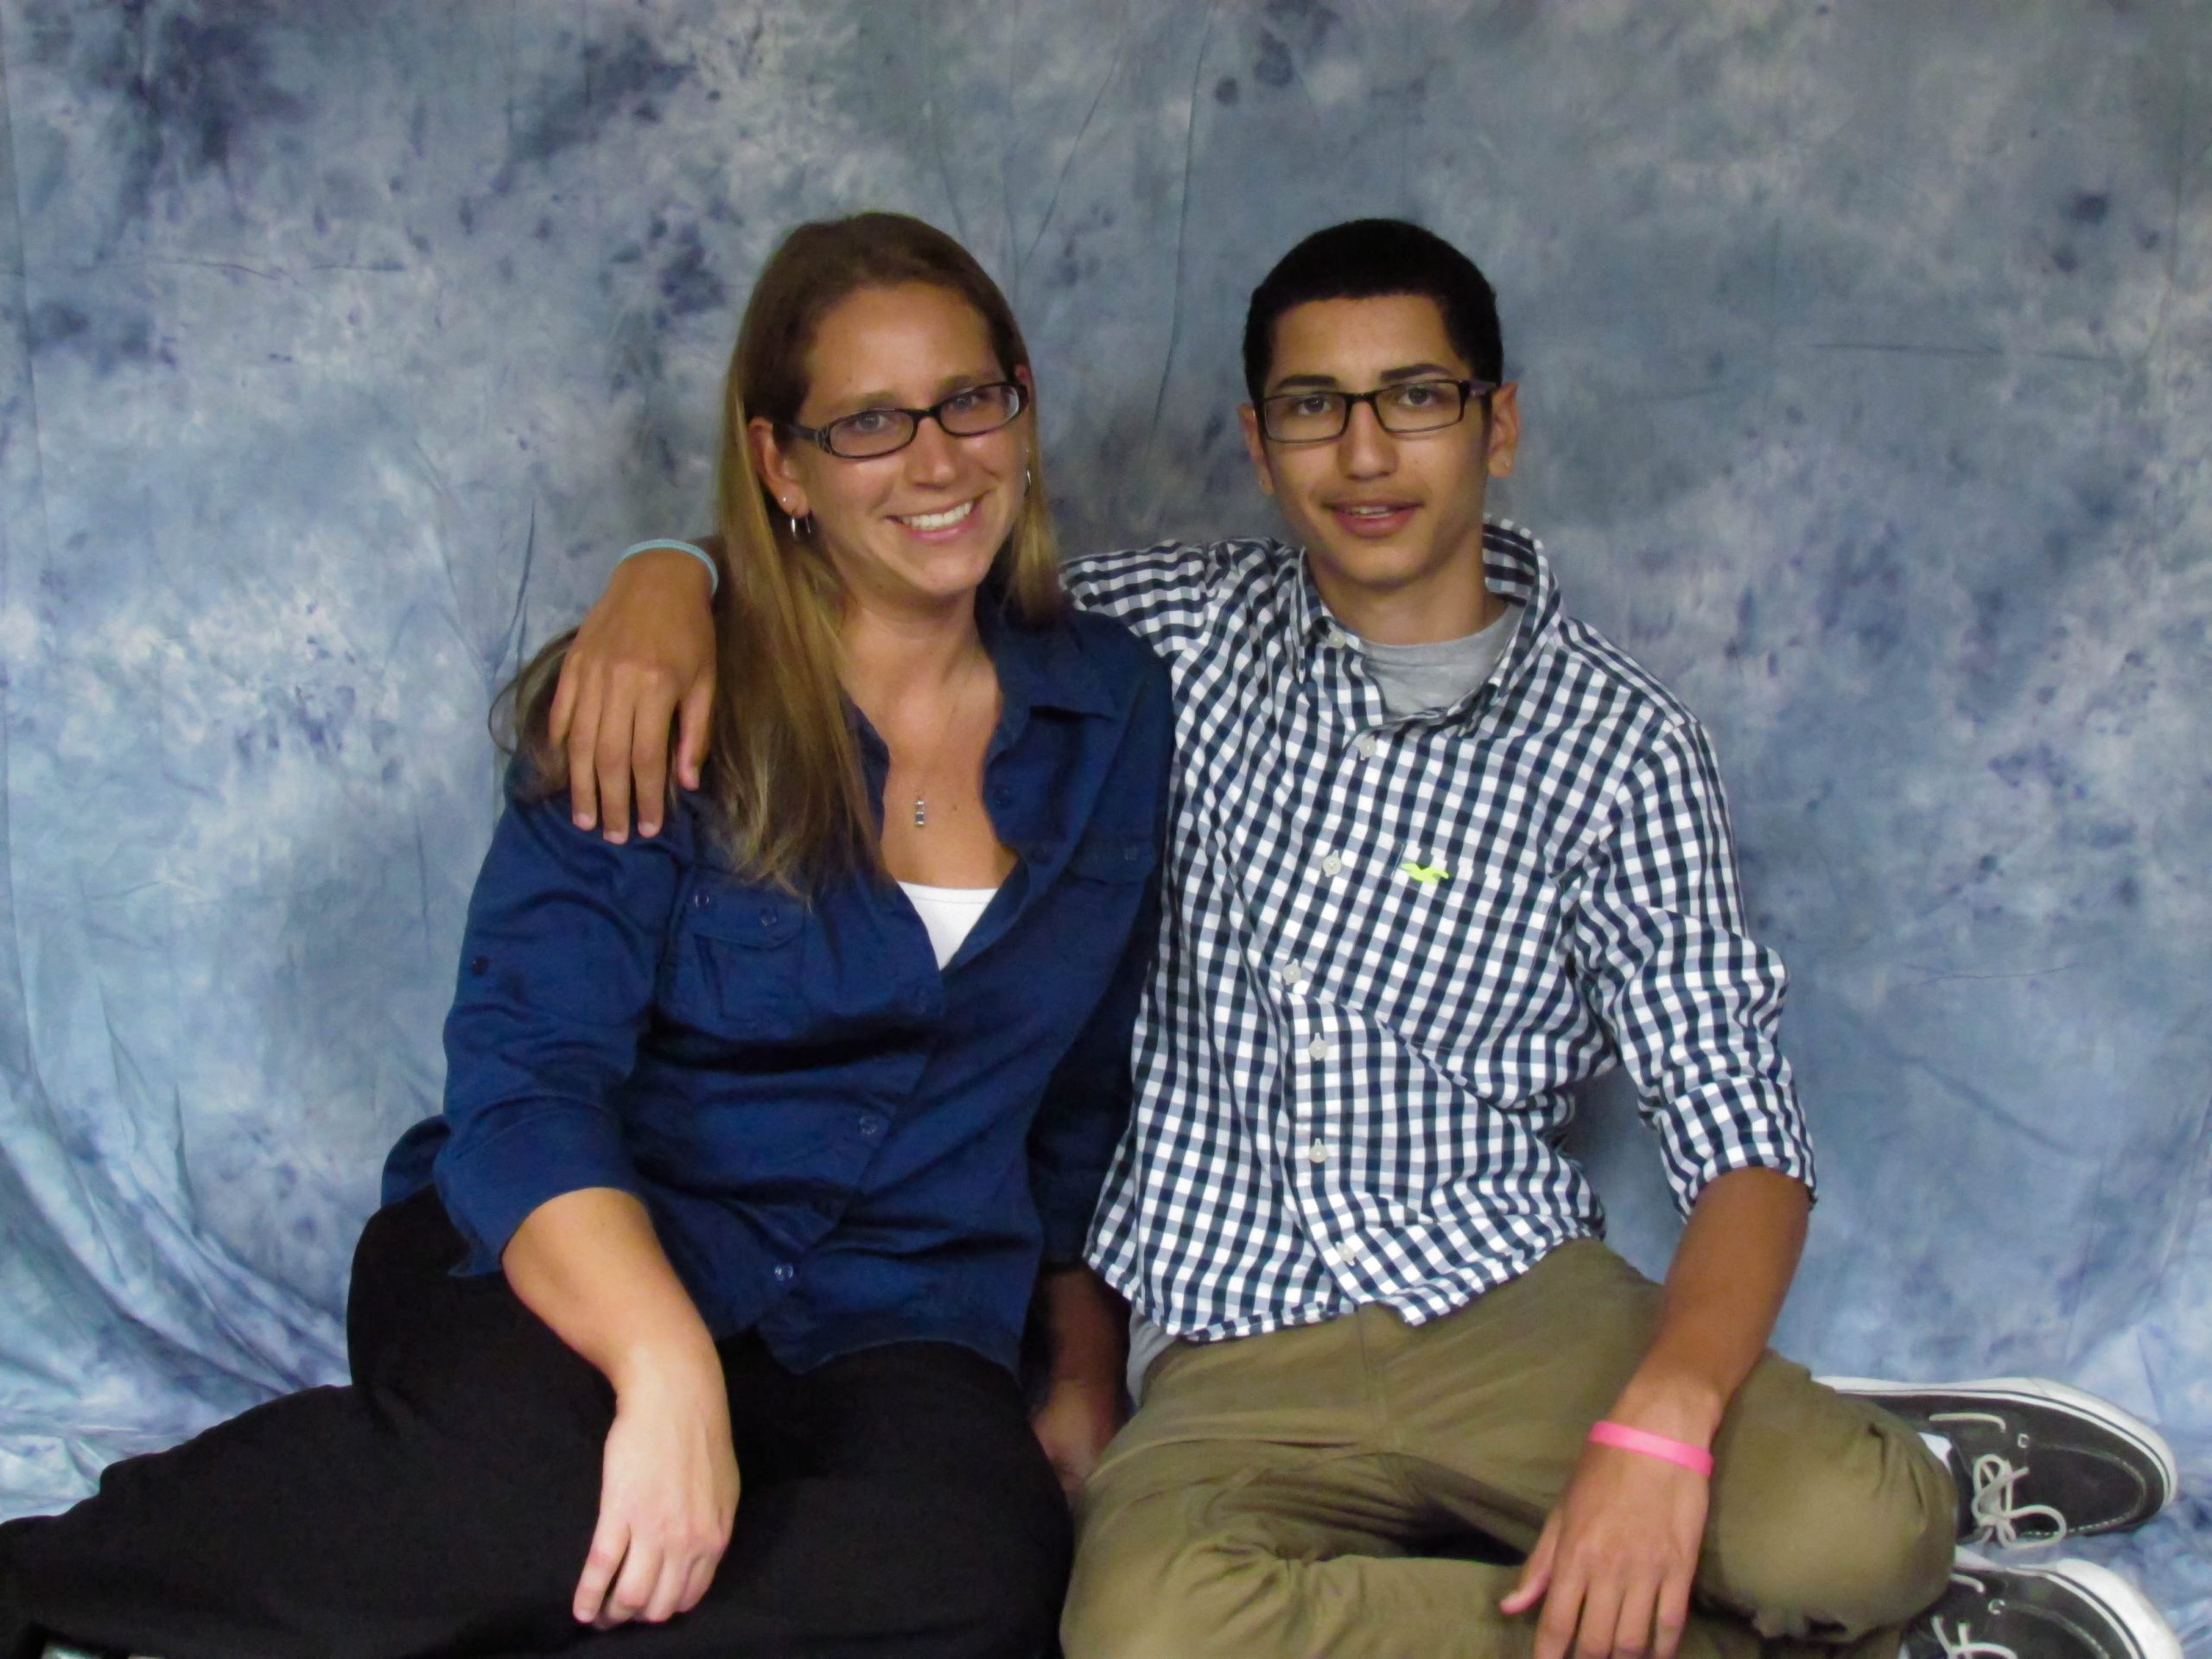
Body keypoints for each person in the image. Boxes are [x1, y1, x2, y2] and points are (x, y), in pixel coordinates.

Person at [532, 219, 2188, 1659]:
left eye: (1419, 397)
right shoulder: (1146, 645)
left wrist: (1666, 1421)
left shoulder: (1621, 747)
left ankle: (1863, 1490)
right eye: (1317, 408)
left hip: (1509, 1298)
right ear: (1260, 444)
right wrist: (666, 574)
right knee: (1139, 1634)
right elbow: (895, 553)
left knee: (1855, 1542)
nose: (1370, 453)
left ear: (1499, 423)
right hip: (1226, 1339)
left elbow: (1743, 1135)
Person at [0, 211, 1169, 1659]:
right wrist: (665, 1366)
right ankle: (43, 1577)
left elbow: (1079, 1095)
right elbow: (525, 1085)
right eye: (869, 422)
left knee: (980, 1592)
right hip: (576, 1253)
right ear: (778, 464)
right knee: (529, 1508)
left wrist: (1076, 1354)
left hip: (897, 1308)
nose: (937, 461)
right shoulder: (655, 698)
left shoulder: (1113, 707)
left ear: (1022, 410)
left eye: (970, 401)